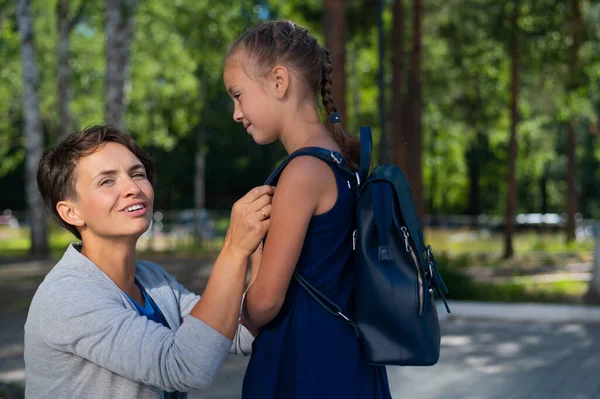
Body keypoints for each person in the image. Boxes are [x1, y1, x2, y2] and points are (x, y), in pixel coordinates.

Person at [24, 125, 274, 398]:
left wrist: (261, 240)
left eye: (137, 174)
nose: (133, 188)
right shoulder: (68, 297)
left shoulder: (153, 280)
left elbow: (236, 332)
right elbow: (185, 367)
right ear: (71, 212)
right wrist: (234, 249)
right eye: (107, 181)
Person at [223, 20, 392, 399]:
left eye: (238, 95)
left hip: (305, 359)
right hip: (344, 354)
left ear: (279, 82)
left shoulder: (301, 172)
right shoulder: (339, 162)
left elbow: (266, 300)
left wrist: (234, 325)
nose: (236, 112)